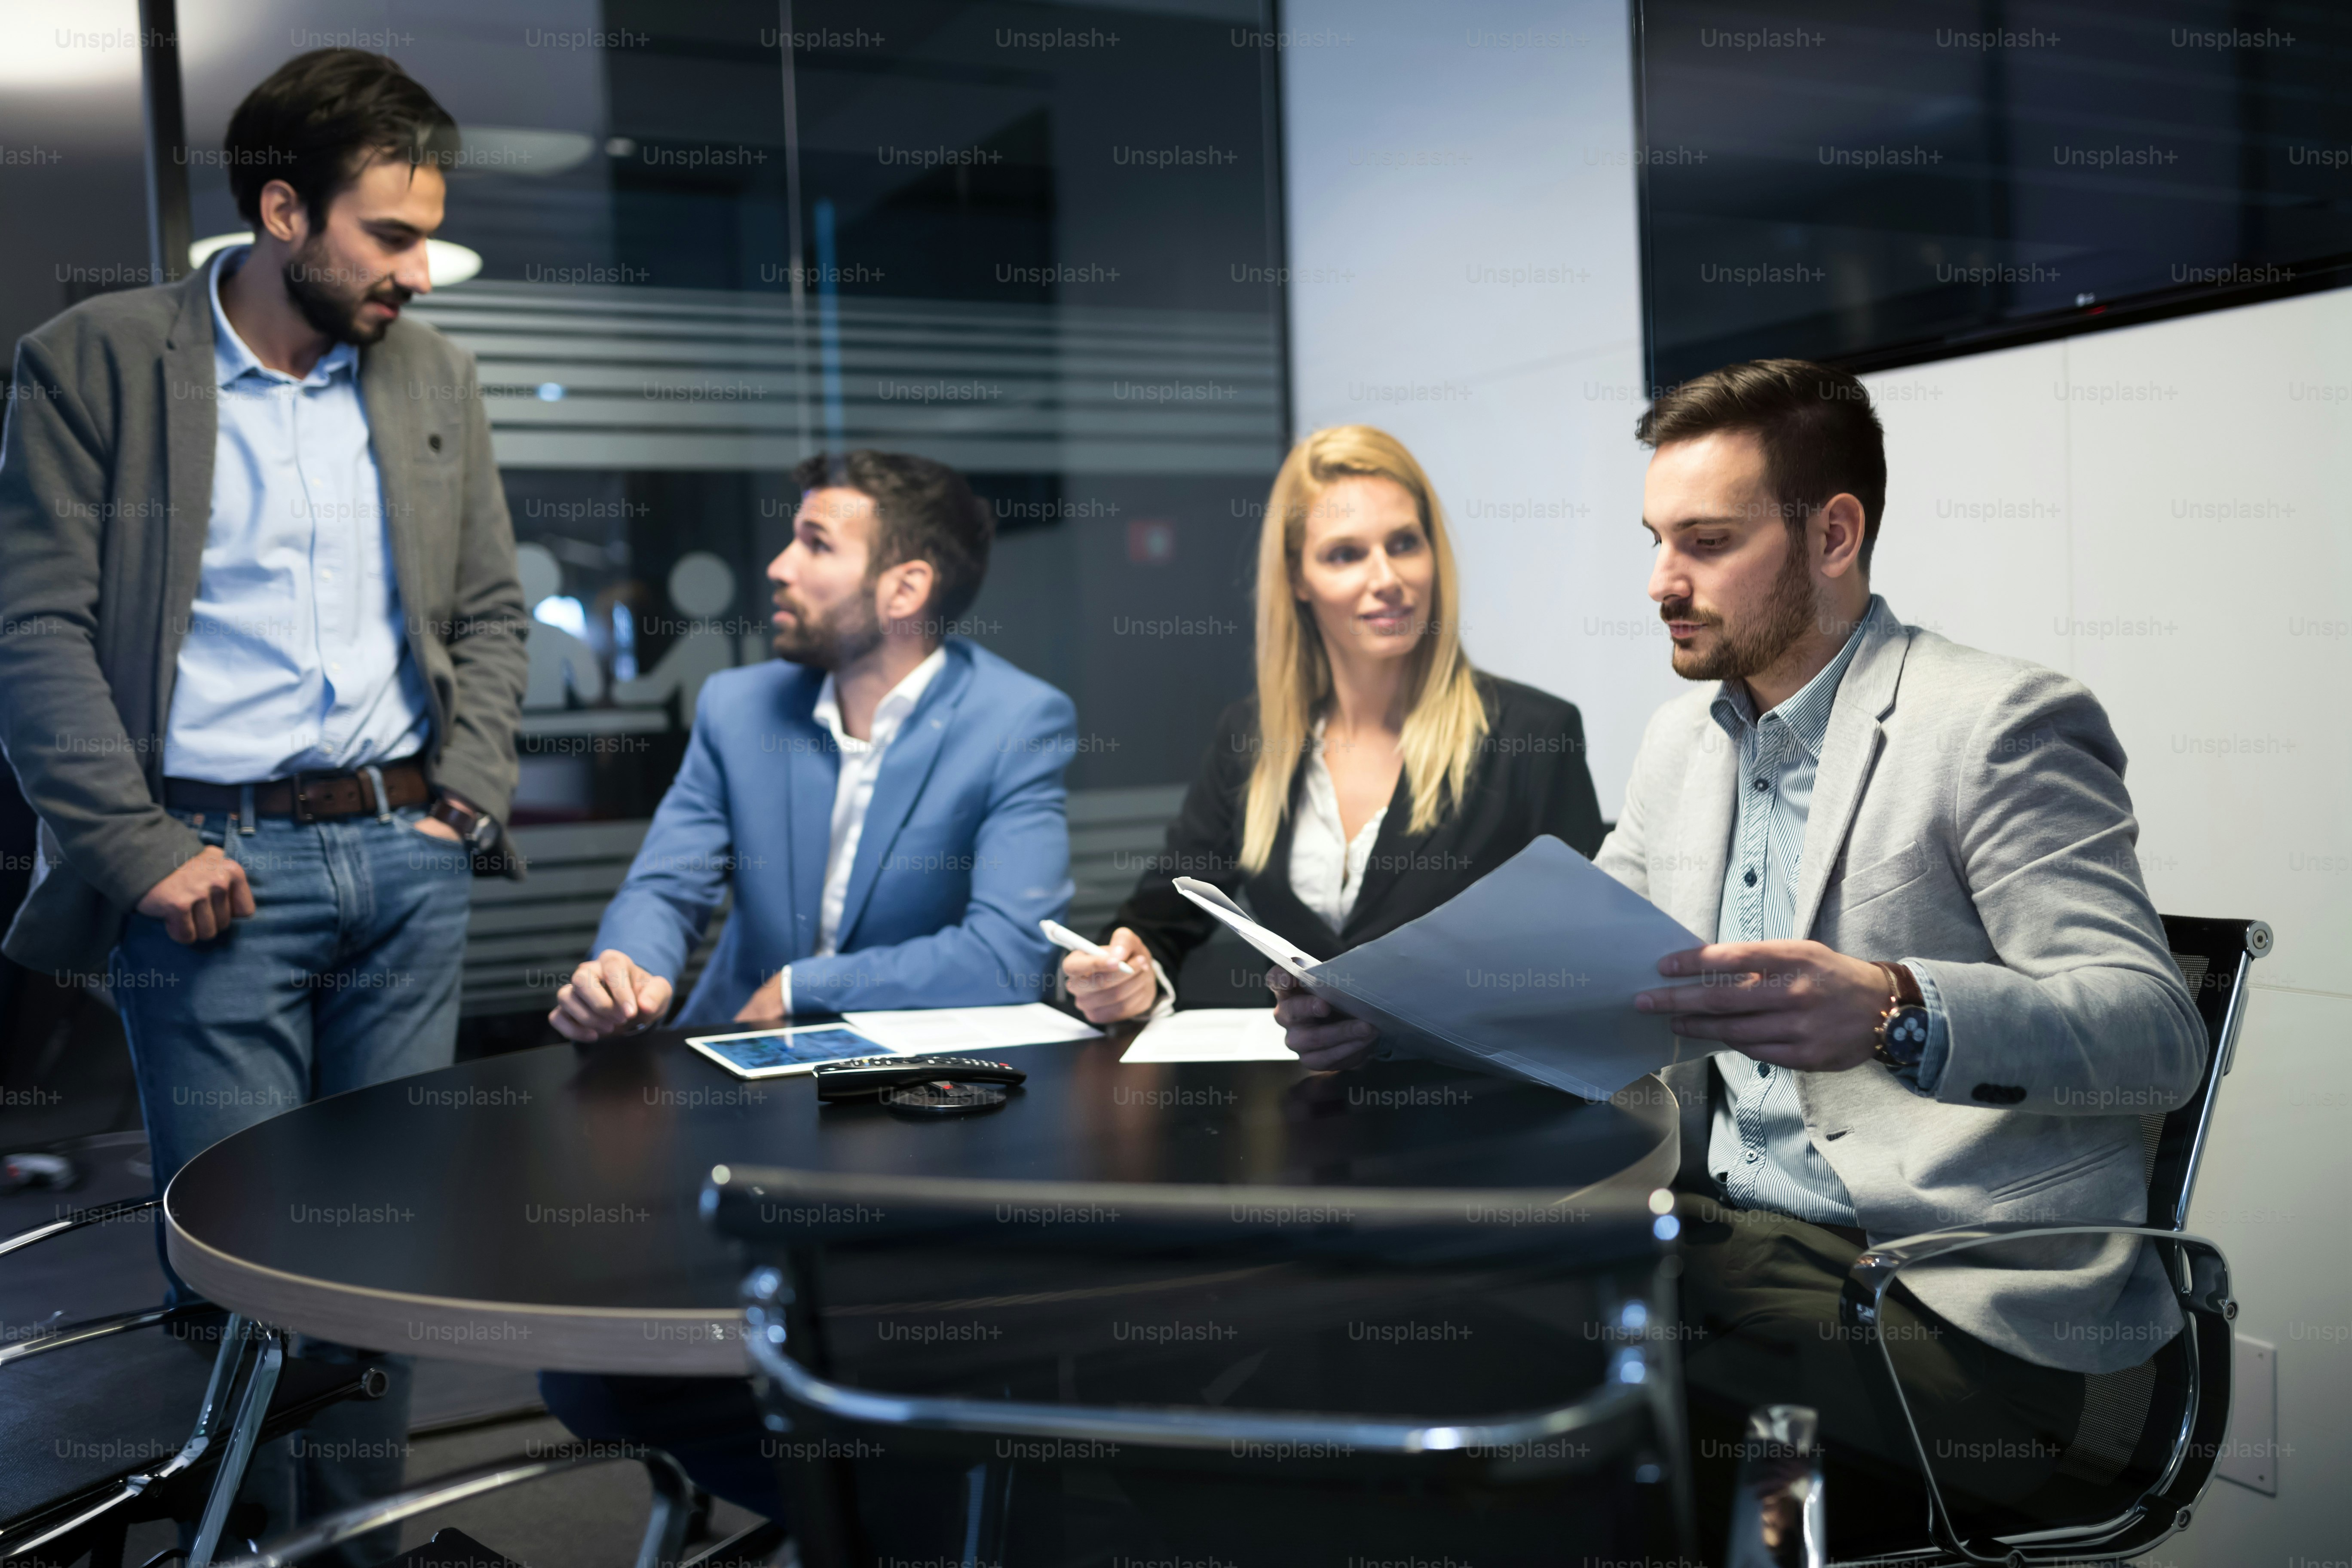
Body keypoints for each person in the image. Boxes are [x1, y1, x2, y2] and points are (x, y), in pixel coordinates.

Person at [1276, 360, 2205, 1553]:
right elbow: (1564, 969)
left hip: (1944, 1312)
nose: (1662, 581)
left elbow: (2153, 1032)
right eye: (1657, 541)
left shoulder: (1997, 725)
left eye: (1706, 543)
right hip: (1726, 1248)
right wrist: (1388, 1015)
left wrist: (1894, 1006)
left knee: (1526, 1383)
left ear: (1833, 535)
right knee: (1408, 1314)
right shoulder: (1683, 744)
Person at [0, 49, 527, 1561]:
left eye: (427, 236)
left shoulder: (434, 375)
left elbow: (493, 610)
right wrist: (138, 848)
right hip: (209, 877)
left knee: (387, 1257)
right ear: (283, 210)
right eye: (389, 235)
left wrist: (467, 799)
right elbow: (33, 630)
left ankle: (362, 1545)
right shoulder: (97, 362)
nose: (416, 271)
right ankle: (250, 1547)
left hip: (408, 863)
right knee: (242, 1267)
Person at [538, 448, 1076, 1519]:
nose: (778, 565)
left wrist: (805, 986)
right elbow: (668, 885)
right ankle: (890, 1526)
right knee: (591, 1375)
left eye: (815, 544)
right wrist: (627, 970)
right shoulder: (741, 707)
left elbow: (1009, 951)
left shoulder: (1018, 720)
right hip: (730, 1108)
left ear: (906, 587)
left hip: (910, 1124)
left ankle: (896, 1520)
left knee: (886, 1354)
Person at [1064, 424, 1605, 1022]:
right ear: (1297, 578)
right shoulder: (1252, 739)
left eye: (1404, 544)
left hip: (1466, 1081)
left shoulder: (1534, 737)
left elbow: (1584, 966)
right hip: (1296, 1079)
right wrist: (1126, 976)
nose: (1387, 579)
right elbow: (1158, 921)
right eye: (1346, 554)